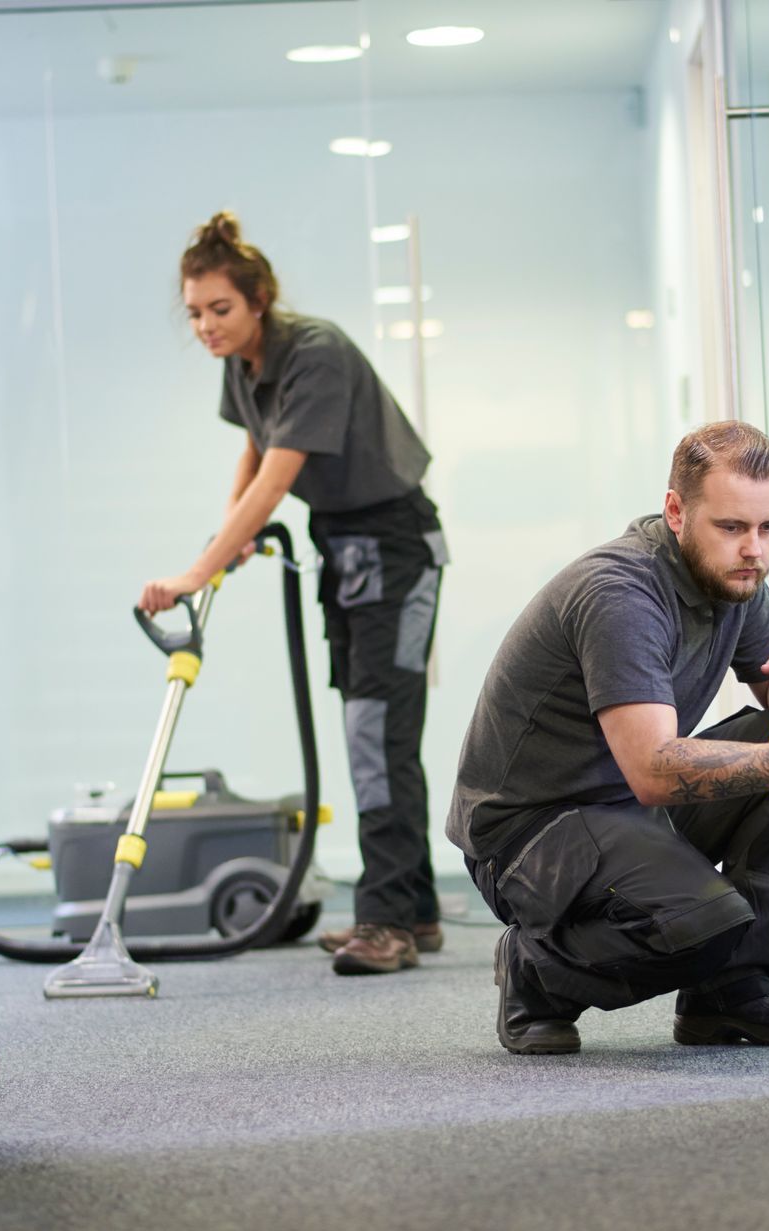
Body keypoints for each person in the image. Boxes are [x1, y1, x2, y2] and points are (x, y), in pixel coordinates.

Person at [446, 421, 769, 1055]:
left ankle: (731, 995)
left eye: (768, 527)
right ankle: (536, 969)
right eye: (731, 527)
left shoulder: (735, 575)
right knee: (709, 919)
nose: (754, 549)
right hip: (529, 836)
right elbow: (653, 769)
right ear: (676, 511)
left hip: (623, 811)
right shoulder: (621, 593)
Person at [139, 211, 448, 978]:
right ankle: (413, 907)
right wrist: (230, 534)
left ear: (260, 299)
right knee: (370, 727)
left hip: (398, 548)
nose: (207, 326)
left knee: (376, 731)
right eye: (196, 314)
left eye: (221, 310)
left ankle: (387, 922)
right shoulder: (244, 362)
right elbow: (253, 445)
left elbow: (279, 476)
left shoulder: (315, 352)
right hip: (344, 548)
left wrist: (197, 569)